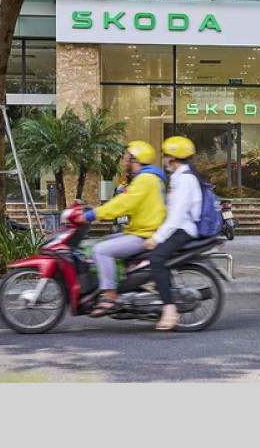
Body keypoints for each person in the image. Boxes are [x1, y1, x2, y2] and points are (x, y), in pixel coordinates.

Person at [83, 140, 166, 316]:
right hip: (140, 230)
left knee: (100, 250)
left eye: (127, 157)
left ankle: (110, 296)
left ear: (136, 159)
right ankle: (123, 286)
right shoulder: (150, 178)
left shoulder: (145, 179)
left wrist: (93, 214)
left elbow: (123, 203)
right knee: (100, 242)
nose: (124, 161)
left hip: (144, 234)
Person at [143, 135, 203, 331]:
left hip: (183, 230)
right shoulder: (178, 177)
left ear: (173, 158)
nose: (164, 159)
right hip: (177, 227)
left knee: (156, 259)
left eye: (166, 155)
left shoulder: (185, 180)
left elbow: (177, 216)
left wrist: (157, 238)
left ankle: (169, 309)